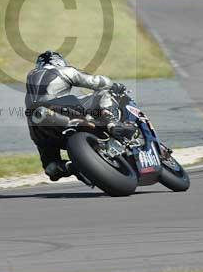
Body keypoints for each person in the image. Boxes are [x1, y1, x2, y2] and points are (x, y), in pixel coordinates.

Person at [25, 50, 135, 181]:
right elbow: (97, 82)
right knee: (105, 93)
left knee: (51, 168)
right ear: (59, 61)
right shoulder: (64, 70)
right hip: (60, 108)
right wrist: (114, 85)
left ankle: (69, 166)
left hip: (37, 127)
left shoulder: (30, 78)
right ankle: (113, 125)